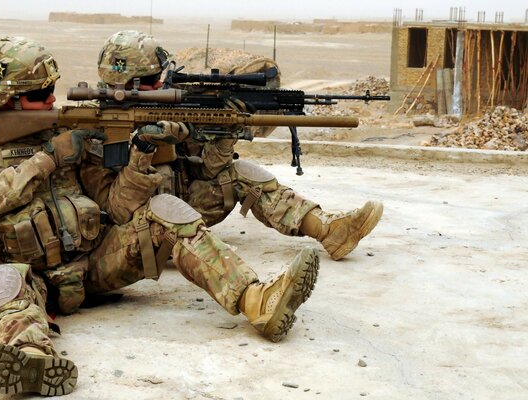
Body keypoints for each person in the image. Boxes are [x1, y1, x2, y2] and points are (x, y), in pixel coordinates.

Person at [0, 36, 319, 396]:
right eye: (41, 93)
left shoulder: (68, 130)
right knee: (3, 285)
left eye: (52, 88)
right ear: (8, 99)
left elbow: (116, 207)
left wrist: (141, 155)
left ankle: (255, 300)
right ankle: (31, 359)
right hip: (22, 275)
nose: (53, 99)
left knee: (163, 212)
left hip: (91, 266)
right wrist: (48, 159)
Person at [97, 30, 384, 262]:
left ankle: (329, 229)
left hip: (183, 214)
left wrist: (225, 133)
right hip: (139, 234)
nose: (163, 82)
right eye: (153, 79)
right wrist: (142, 149)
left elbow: (210, 172)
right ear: (130, 82)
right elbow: (119, 212)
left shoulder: (172, 107)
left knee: (241, 172)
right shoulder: (95, 127)